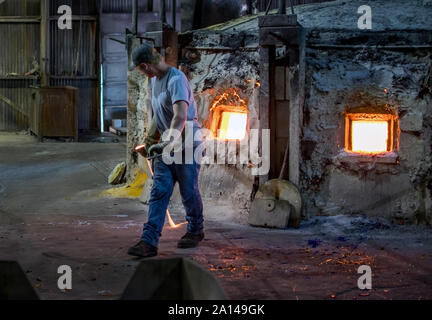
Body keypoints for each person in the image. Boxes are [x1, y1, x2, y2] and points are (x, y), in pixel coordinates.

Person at [127, 43, 204, 258]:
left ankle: (196, 230)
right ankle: (148, 241)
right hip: (165, 147)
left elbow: (180, 115)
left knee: (189, 192)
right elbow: (158, 114)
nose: (142, 74)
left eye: (141, 70)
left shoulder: (176, 79)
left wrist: (168, 140)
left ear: (146, 66)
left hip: (188, 144)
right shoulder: (154, 81)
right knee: (159, 192)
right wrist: (150, 140)